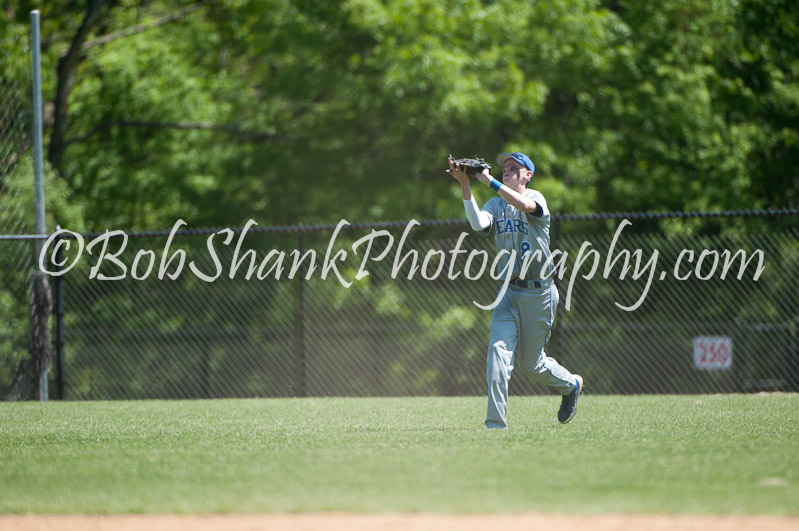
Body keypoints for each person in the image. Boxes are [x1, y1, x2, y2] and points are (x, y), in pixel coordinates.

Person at [447, 152, 583, 428]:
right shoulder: (496, 204)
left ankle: (570, 385)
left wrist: (489, 180)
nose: (506, 171)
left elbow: (523, 204)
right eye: (504, 168)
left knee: (531, 366)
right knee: (497, 355)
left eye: (513, 168)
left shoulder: (536, 197)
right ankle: (495, 426)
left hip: (539, 293)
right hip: (508, 293)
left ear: (527, 175)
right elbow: (478, 224)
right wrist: (466, 185)